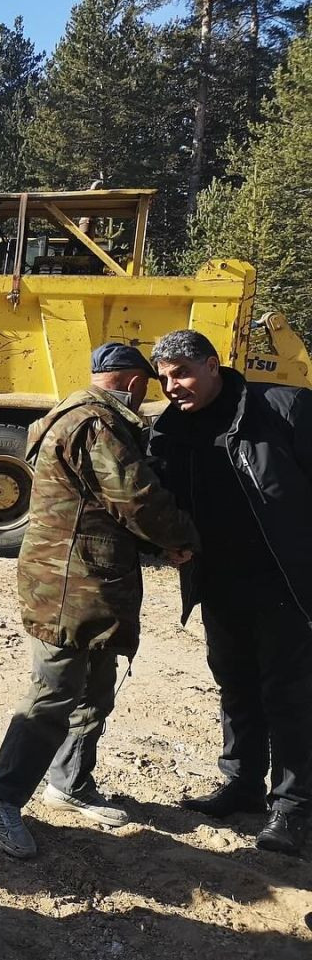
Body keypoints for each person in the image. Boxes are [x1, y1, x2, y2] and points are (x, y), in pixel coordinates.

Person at [0, 344, 198, 861]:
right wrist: (183, 538)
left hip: (89, 579)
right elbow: (135, 497)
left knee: (94, 686)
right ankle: (1, 797)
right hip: (68, 583)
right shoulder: (97, 424)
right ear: (134, 383)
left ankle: (69, 784)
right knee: (53, 695)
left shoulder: (79, 414)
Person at [149, 329, 312, 856]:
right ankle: (242, 784)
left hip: (285, 583)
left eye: (184, 373)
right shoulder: (170, 429)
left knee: (289, 695)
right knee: (235, 685)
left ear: (214, 366)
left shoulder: (283, 408)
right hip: (218, 581)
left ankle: (292, 806)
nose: (173, 386)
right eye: (165, 377)